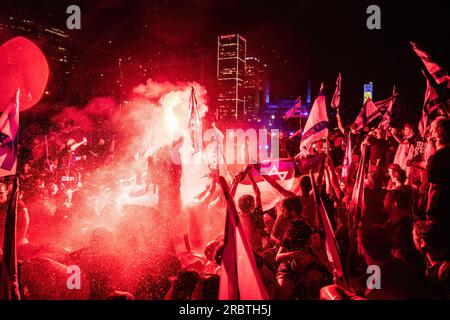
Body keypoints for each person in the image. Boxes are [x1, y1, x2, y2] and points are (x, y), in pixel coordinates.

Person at [275, 218, 332, 299]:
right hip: (287, 268)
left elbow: (326, 265)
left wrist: (313, 257)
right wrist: (295, 254)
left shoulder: (313, 238)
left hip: (308, 269)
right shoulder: (289, 237)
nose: (306, 245)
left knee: (315, 280)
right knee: (282, 291)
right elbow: (278, 258)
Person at [383, 190, 423, 273]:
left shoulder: (405, 232)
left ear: (394, 205)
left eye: (386, 199)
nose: (383, 201)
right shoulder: (391, 224)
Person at [413, 220, 450, 299]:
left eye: (415, 239)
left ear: (423, 243)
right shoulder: (428, 260)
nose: (414, 242)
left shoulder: (446, 270)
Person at [426, 119, 450, 235]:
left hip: (441, 208)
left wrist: (429, 212)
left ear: (437, 133)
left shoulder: (436, 158)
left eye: (433, 127)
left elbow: (435, 188)